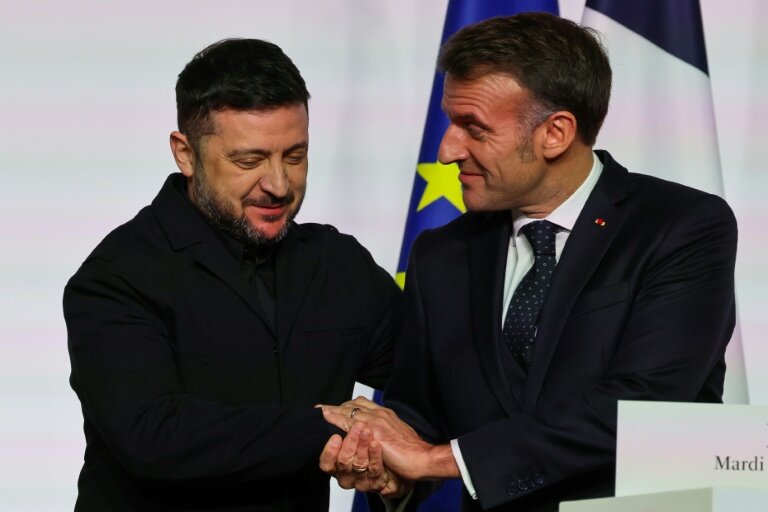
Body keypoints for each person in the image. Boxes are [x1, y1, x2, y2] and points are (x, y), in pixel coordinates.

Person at [319, 12, 737, 511]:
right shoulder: (441, 255)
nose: (448, 149)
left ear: (555, 133)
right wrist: (389, 471)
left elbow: (644, 407)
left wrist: (438, 461)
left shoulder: (681, 227)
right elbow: (419, 420)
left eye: (473, 127)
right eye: (451, 122)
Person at [63, 38, 400, 511]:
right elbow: (151, 433)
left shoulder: (337, 263)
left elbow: (431, 374)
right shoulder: (117, 276)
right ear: (185, 154)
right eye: (249, 161)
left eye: (295, 156)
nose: (279, 184)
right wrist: (321, 427)